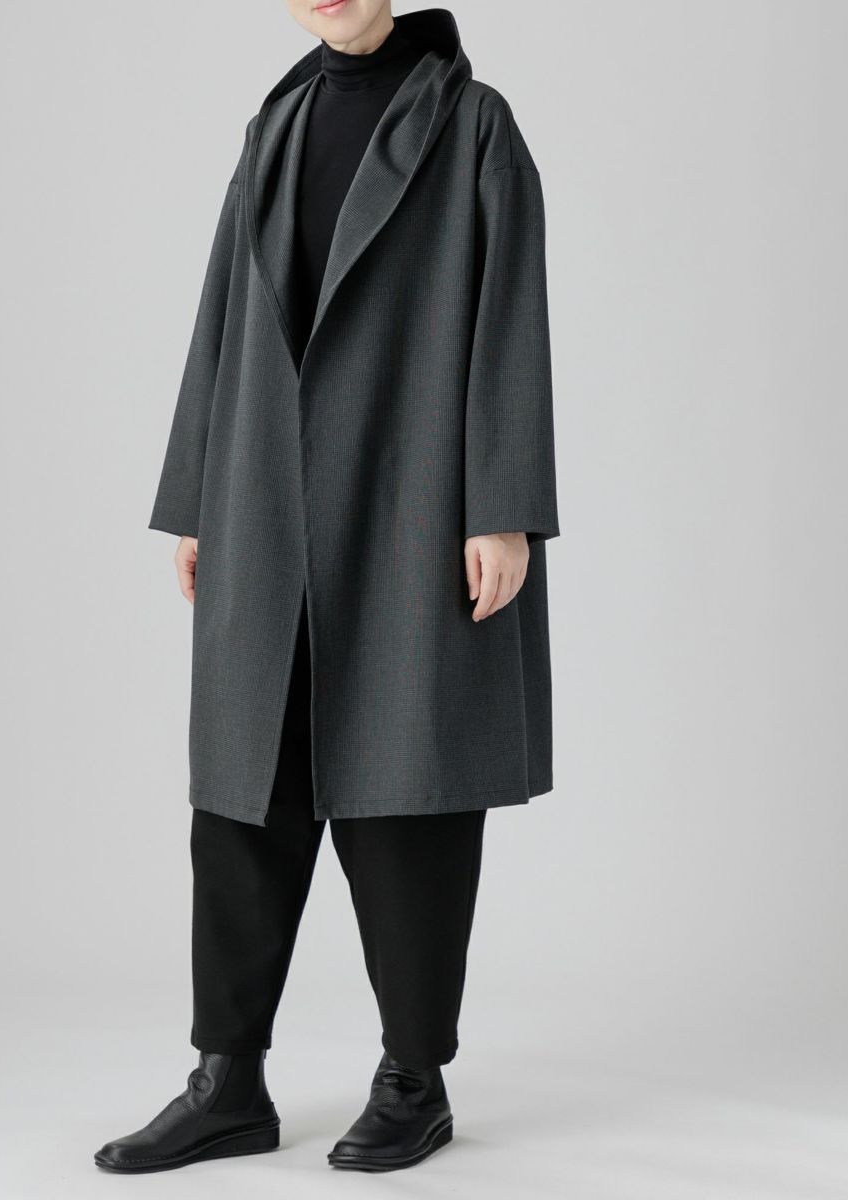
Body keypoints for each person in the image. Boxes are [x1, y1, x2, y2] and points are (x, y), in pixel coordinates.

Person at [96, 0, 559, 1174]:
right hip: (264, 499)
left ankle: (413, 1080)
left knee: (409, 789)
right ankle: (227, 1081)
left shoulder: (475, 126)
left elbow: (510, 316)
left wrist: (501, 505)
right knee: (243, 795)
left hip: (412, 495)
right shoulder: (276, 125)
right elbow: (223, 312)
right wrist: (197, 496)